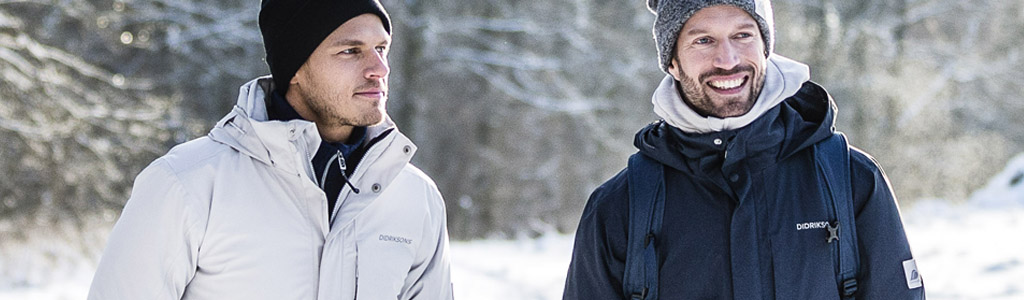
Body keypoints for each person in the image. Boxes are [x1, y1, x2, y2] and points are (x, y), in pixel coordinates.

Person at [88, 0, 453, 299]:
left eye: (381, 48)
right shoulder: (188, 184)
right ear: (294, 68)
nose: (379, 68)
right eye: (350, 51)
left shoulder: (415, 199)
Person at [562, 0, 924, 299]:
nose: (728, 59)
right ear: (672, 60)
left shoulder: (850, 180)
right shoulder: (620, 206)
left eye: (743, 35)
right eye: (703, 40)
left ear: (766, 46)